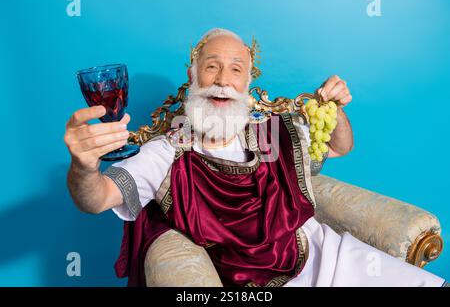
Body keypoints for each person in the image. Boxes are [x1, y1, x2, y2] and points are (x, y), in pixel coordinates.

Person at [64, 28, 448, 287]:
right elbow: (94, 198)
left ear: (249, 82)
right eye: (211, 66)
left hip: (330, 257)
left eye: (236, 70)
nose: (222, 79)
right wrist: (83, 165)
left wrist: (336, 108)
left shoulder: (265, 134)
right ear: (193, 74)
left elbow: (339, 146)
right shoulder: (169, 151)